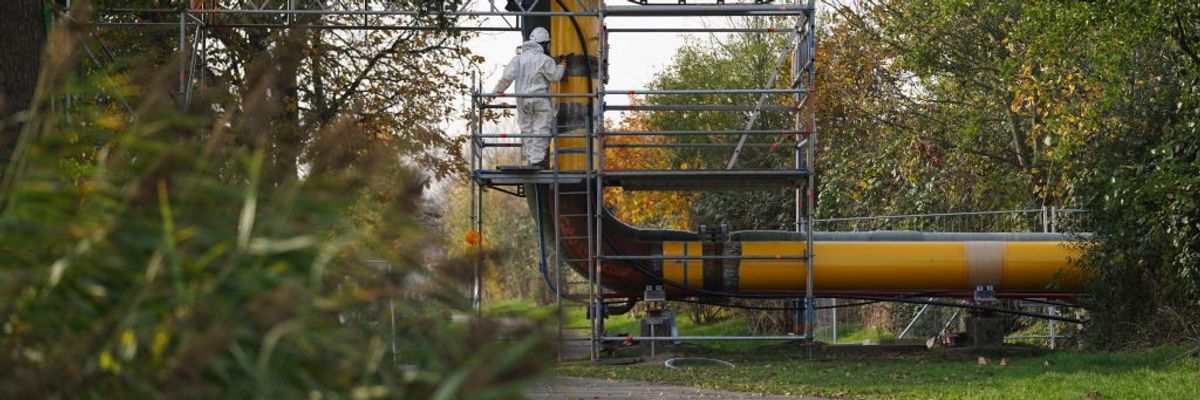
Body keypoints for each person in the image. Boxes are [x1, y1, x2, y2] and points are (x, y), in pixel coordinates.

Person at [493, 27, 565, 168]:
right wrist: (562, 66)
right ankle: (536, 160)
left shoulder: (518, 59)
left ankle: (529, 158)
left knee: (526, 128)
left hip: (522, 99)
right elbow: (555, 76)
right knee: (541, 128)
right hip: (540, 99)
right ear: (544, 43)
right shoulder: (545, 60)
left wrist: (497, 91)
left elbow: (507, 77)